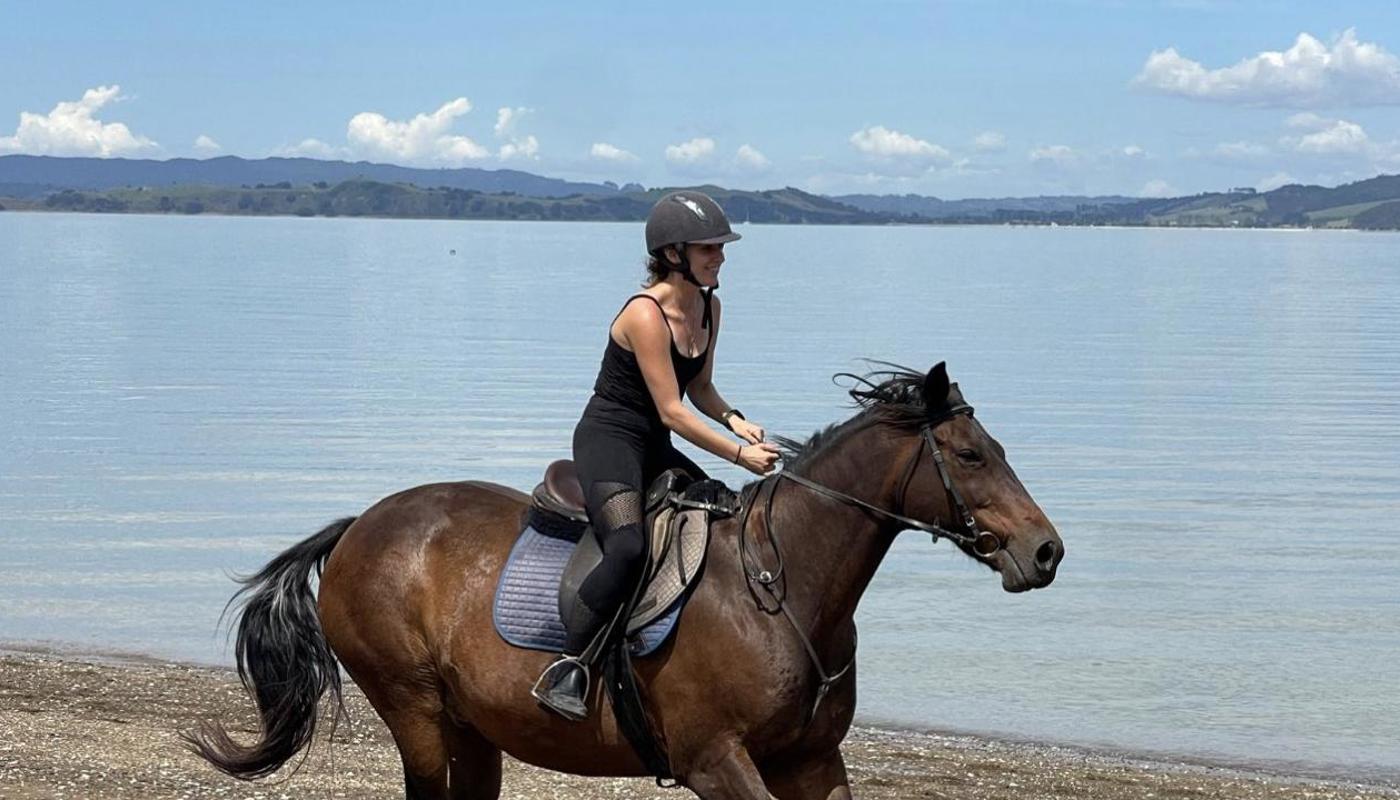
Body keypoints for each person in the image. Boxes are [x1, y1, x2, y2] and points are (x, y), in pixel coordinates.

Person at [534, 191, 781, 720]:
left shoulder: (710, 307)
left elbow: (702, 389)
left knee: (727, 514)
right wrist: (740, 456)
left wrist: (735, 419)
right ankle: (568, 666)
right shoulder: (644, 315)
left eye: (721, 247)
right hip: (609, 440)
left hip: (654, 444)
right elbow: (671, 410)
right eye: (709, 248)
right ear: (673, 254)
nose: (720, 256)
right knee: (626, 548)